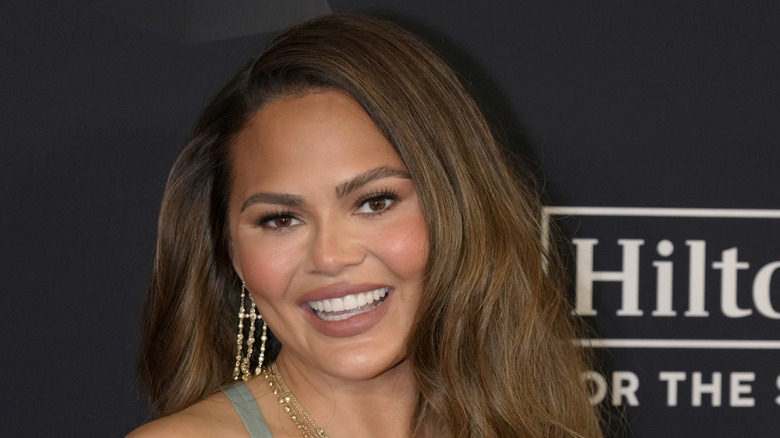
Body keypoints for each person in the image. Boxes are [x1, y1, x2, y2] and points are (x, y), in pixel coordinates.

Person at [129, 12, 602, 438]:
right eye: (280, 219)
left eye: (375, 202)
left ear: (457, 208)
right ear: (229, 250)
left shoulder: (534, 425)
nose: (331, 257)